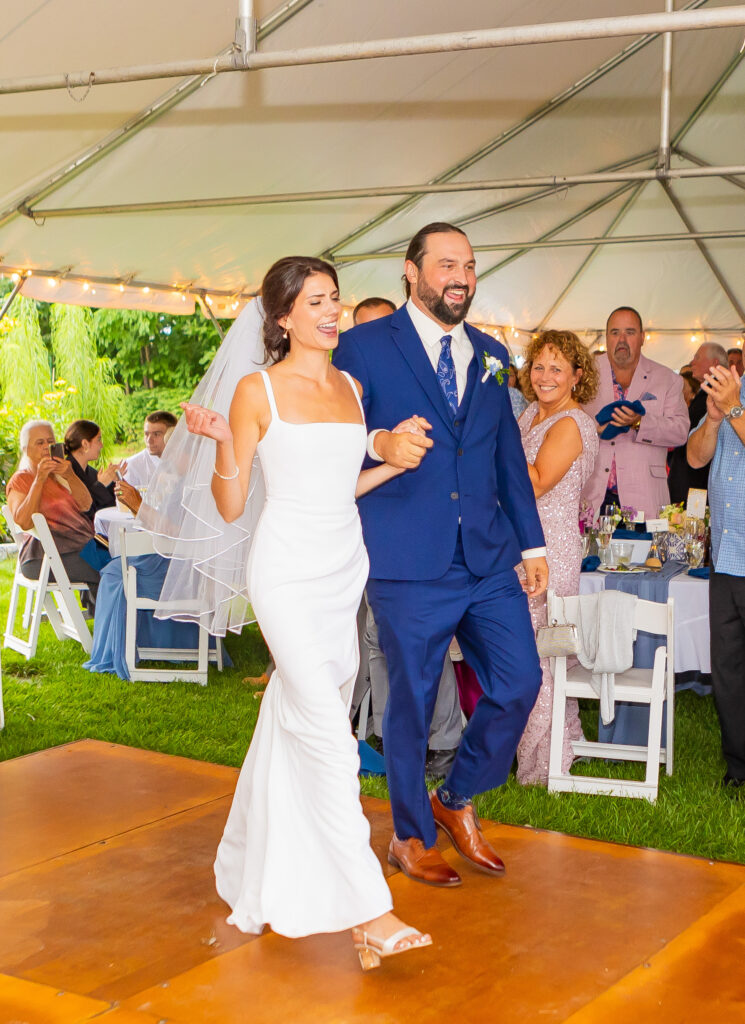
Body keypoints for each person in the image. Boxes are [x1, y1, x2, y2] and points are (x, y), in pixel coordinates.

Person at [180, 257, 431, 968]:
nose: (331, 311)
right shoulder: (255, 390)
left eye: (334, 299)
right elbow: (233, 506)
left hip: (341, 569)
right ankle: (370, 910)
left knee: (294, 722)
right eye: (315, 301)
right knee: (329, 734)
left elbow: (338, 485)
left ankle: (249, 867)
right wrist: (226, 444)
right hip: (285, 574)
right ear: (283, 316)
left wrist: (392, 461)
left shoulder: (351, 385)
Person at [335, 222, 547, 888]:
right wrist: (378, 441)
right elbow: (328, 437)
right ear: (410, 270)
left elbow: (504, 454)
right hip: (405, 556)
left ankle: (452, 800)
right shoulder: (361, 347)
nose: (460, 276)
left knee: (518, 683)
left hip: (486, 558)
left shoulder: (488, 352)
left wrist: (531, 541)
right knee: (412, 703)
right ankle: (407, 835)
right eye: (446, 264)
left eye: (470, 265)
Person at [350, 295, 463, 777]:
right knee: (375, 637)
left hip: (411, 530)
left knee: (419, 639)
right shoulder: (344, 387)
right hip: (354, 530)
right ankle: (387, 728)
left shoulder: (423, 381)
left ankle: (441, 737)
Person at [514, 331, 599, 785]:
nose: (545, 377)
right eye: (539, 366)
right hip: (524, 547)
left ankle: (541, 769)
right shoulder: (530, 414)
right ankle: (558, 752)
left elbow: (535, 482)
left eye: (557, 368)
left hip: (551, 552)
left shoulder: (572, 424)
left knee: (540, 659)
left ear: (576, 377)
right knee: (535, 656)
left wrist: (493, 439)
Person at [687, 360, 745, 793]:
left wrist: (736, 409)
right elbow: (695, 457)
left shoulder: (736, 396)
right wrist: (714, 416)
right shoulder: (732, 389)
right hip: (725, 555)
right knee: (727, 667)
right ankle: (737, 764)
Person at [581, 306, 689, 521]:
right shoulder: (584, 373)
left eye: (629, 332)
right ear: (606, 337)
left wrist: (640, 423)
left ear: (642, 337)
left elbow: (680, 432)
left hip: (645, 499)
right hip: (592, 495)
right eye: (615, 332)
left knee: (646, 556)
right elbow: (567, 421)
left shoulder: (668, 378)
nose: (621, 339)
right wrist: (595, 427)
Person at [6, 420, 100, 601]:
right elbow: (23, 521)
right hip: (43, 557)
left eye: (50, 441)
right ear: (26, 449)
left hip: (77, 547)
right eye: (39, 442)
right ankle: (111, 624)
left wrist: (70, 476)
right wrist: (39, 479)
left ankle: (111, 621)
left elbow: (86, 504)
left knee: (119, 562)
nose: (46, 446)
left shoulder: (61, 474)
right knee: (108, 568)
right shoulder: (21, 480)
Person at [668, 343, 728, 504]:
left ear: (714, 364)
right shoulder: (707, 393)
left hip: (697, 484)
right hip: (692, 479)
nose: (692, 362)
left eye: (697, 357)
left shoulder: (719, 395)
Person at [64, 419, 122, 517]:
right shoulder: (65, 473)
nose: (102, 445)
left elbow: (112, 508)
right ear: (85, 444)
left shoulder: (91, 473)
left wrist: (115, 482)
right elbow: (84, 513)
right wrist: (101, 485)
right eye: (99, 439)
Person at [123, 411, 177, 488]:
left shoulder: (184, 462)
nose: (149, 440)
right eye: (146, 434)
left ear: (172, 435)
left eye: (156, 434)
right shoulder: (132, 466)